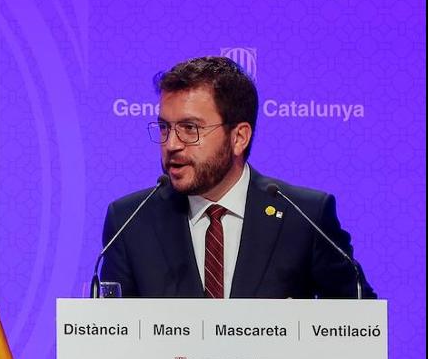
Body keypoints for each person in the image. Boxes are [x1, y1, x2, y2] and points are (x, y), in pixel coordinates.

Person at [99, 56, 375, 299]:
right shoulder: (130, 221)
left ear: (239, 137)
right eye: (164, 128)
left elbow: (360, 325)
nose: (171, 144)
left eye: (189, 128)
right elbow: (112, 340)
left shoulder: (305, 216)